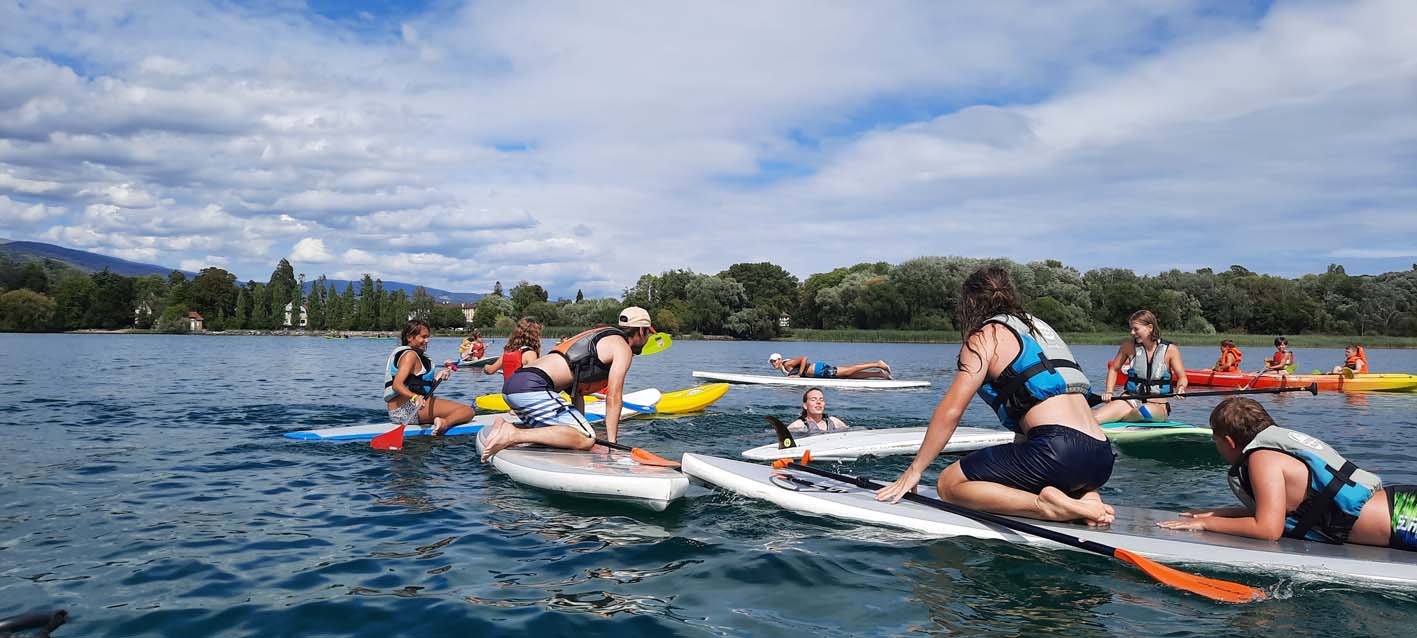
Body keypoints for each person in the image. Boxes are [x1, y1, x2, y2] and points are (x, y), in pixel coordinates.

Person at [875, 266, 1114, 525]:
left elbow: (951, 411)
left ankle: (1045, 505)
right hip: (1101, 458)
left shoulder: (984, 338)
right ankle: (1087, 498)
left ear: (969, 303)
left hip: (1058, 451)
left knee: (949, 483)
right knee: (1038, 464)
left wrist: (914, 470)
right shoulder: (1040, 329)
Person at [1159, 397, 1414, 552]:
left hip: (1404, 515)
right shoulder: (1272, 454)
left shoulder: (1262, 459)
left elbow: (1268, 529)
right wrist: (1221, 513)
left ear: (1228, 441)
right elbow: (1280, 509)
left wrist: (1206, 524)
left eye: (1215, 440)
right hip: (1398, 511)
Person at [479, 307, 658, 461]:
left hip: (514, 386)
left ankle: (508, 428)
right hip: (532, 387)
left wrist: (578, 426)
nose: (648, 338)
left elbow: (576, 392)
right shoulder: (622, 347)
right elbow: (613, 397)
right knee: (587, 437)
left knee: (577, 433)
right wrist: (612, 445)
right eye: (649, 333)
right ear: (642, 331)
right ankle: (512, 433)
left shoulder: (597, 336)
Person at [383, 319, 476, 434]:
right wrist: (415, 397)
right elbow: (397, 385)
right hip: (407, 410)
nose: (427, 340)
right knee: (467, 411)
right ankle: (444, 423)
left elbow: (419, 385)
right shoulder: (410, 355)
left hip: (400, 412)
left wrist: (437, 378)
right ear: (409, 337)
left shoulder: (414, 355)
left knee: (461, 410)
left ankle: (441, 420)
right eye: (423, 337)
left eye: (428, 337)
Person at [1094, 310, 1187, 424]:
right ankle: (1118, 416)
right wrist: (1109, 392)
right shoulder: (1128, 346)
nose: (1132, 333)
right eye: (1131, 329)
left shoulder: (1171, 350)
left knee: (1143, 411)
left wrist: (1180, 388)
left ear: (1150, 327)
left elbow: (1182, 377)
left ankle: (1122, 418)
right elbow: (1114, 369)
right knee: (1096, 418)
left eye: (1136, 329)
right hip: (1130, 399)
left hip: (1157, 405)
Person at [768, 353, 892, 380]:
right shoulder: (783, 369)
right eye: (771, 362)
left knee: (849, 371)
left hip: (820, 370)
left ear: (779, 359)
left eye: (774, 361)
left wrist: (799, 374)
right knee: (849, 375)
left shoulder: (786, 364)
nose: (773, 363)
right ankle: (879, 374)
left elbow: (804, 358)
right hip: (819, 373)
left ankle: (877, 364)